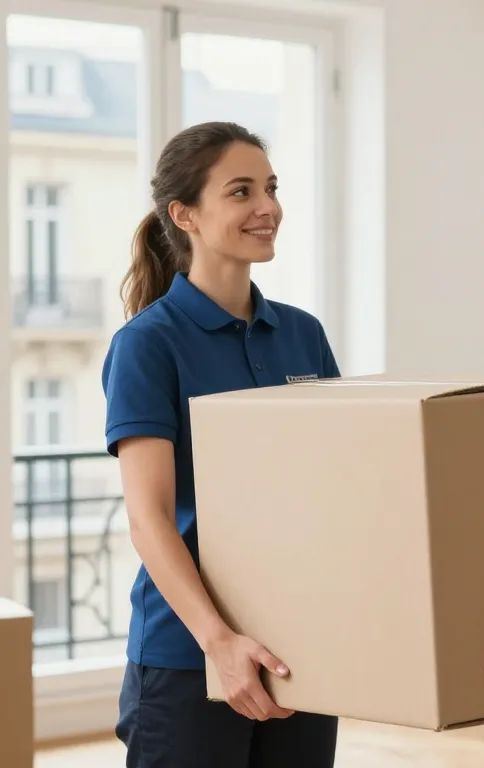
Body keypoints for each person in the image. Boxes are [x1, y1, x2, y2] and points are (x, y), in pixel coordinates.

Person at [103, 121, 341, 768]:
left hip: (299, 645)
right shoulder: (148, 345)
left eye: (270, 187)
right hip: (187, 654)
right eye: (241, 191)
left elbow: (334, 486)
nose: (267, 207)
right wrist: (218, 643)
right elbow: (149, 518)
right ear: (186, 215)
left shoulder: (303, 335)